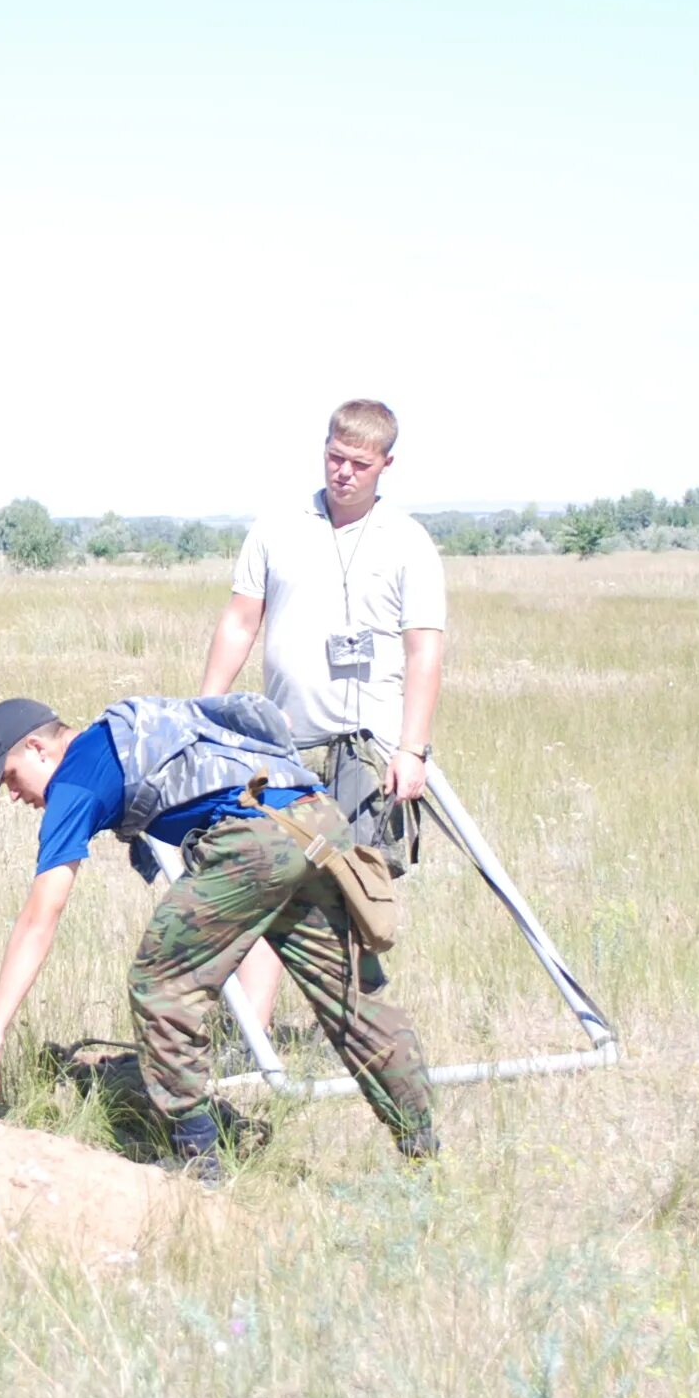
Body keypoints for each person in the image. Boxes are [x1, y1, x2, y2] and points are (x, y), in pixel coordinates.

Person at [0, 693, 439, 1177]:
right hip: (314, 818)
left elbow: (41, 916)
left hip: (258, 839)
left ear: (38, 748)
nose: (13, 795)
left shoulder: (75, 779)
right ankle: (425, 1153)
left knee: (159, 982)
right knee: (350, 996)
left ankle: (200, 1161)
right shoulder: (127, 728)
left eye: (10, 777)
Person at [199, 398, 448, 1033]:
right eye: (335, 457)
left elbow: (424, 651)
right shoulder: (276, 527)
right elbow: (239, 621)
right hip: (285, 751)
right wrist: (204, 714)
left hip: (369, 753)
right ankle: (252, 1043)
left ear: (386, 465)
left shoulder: (409, 542)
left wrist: (412, 750)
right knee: (265, 890)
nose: (343, 472)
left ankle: (364, 1040)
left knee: (358, 896)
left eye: (359, 463)